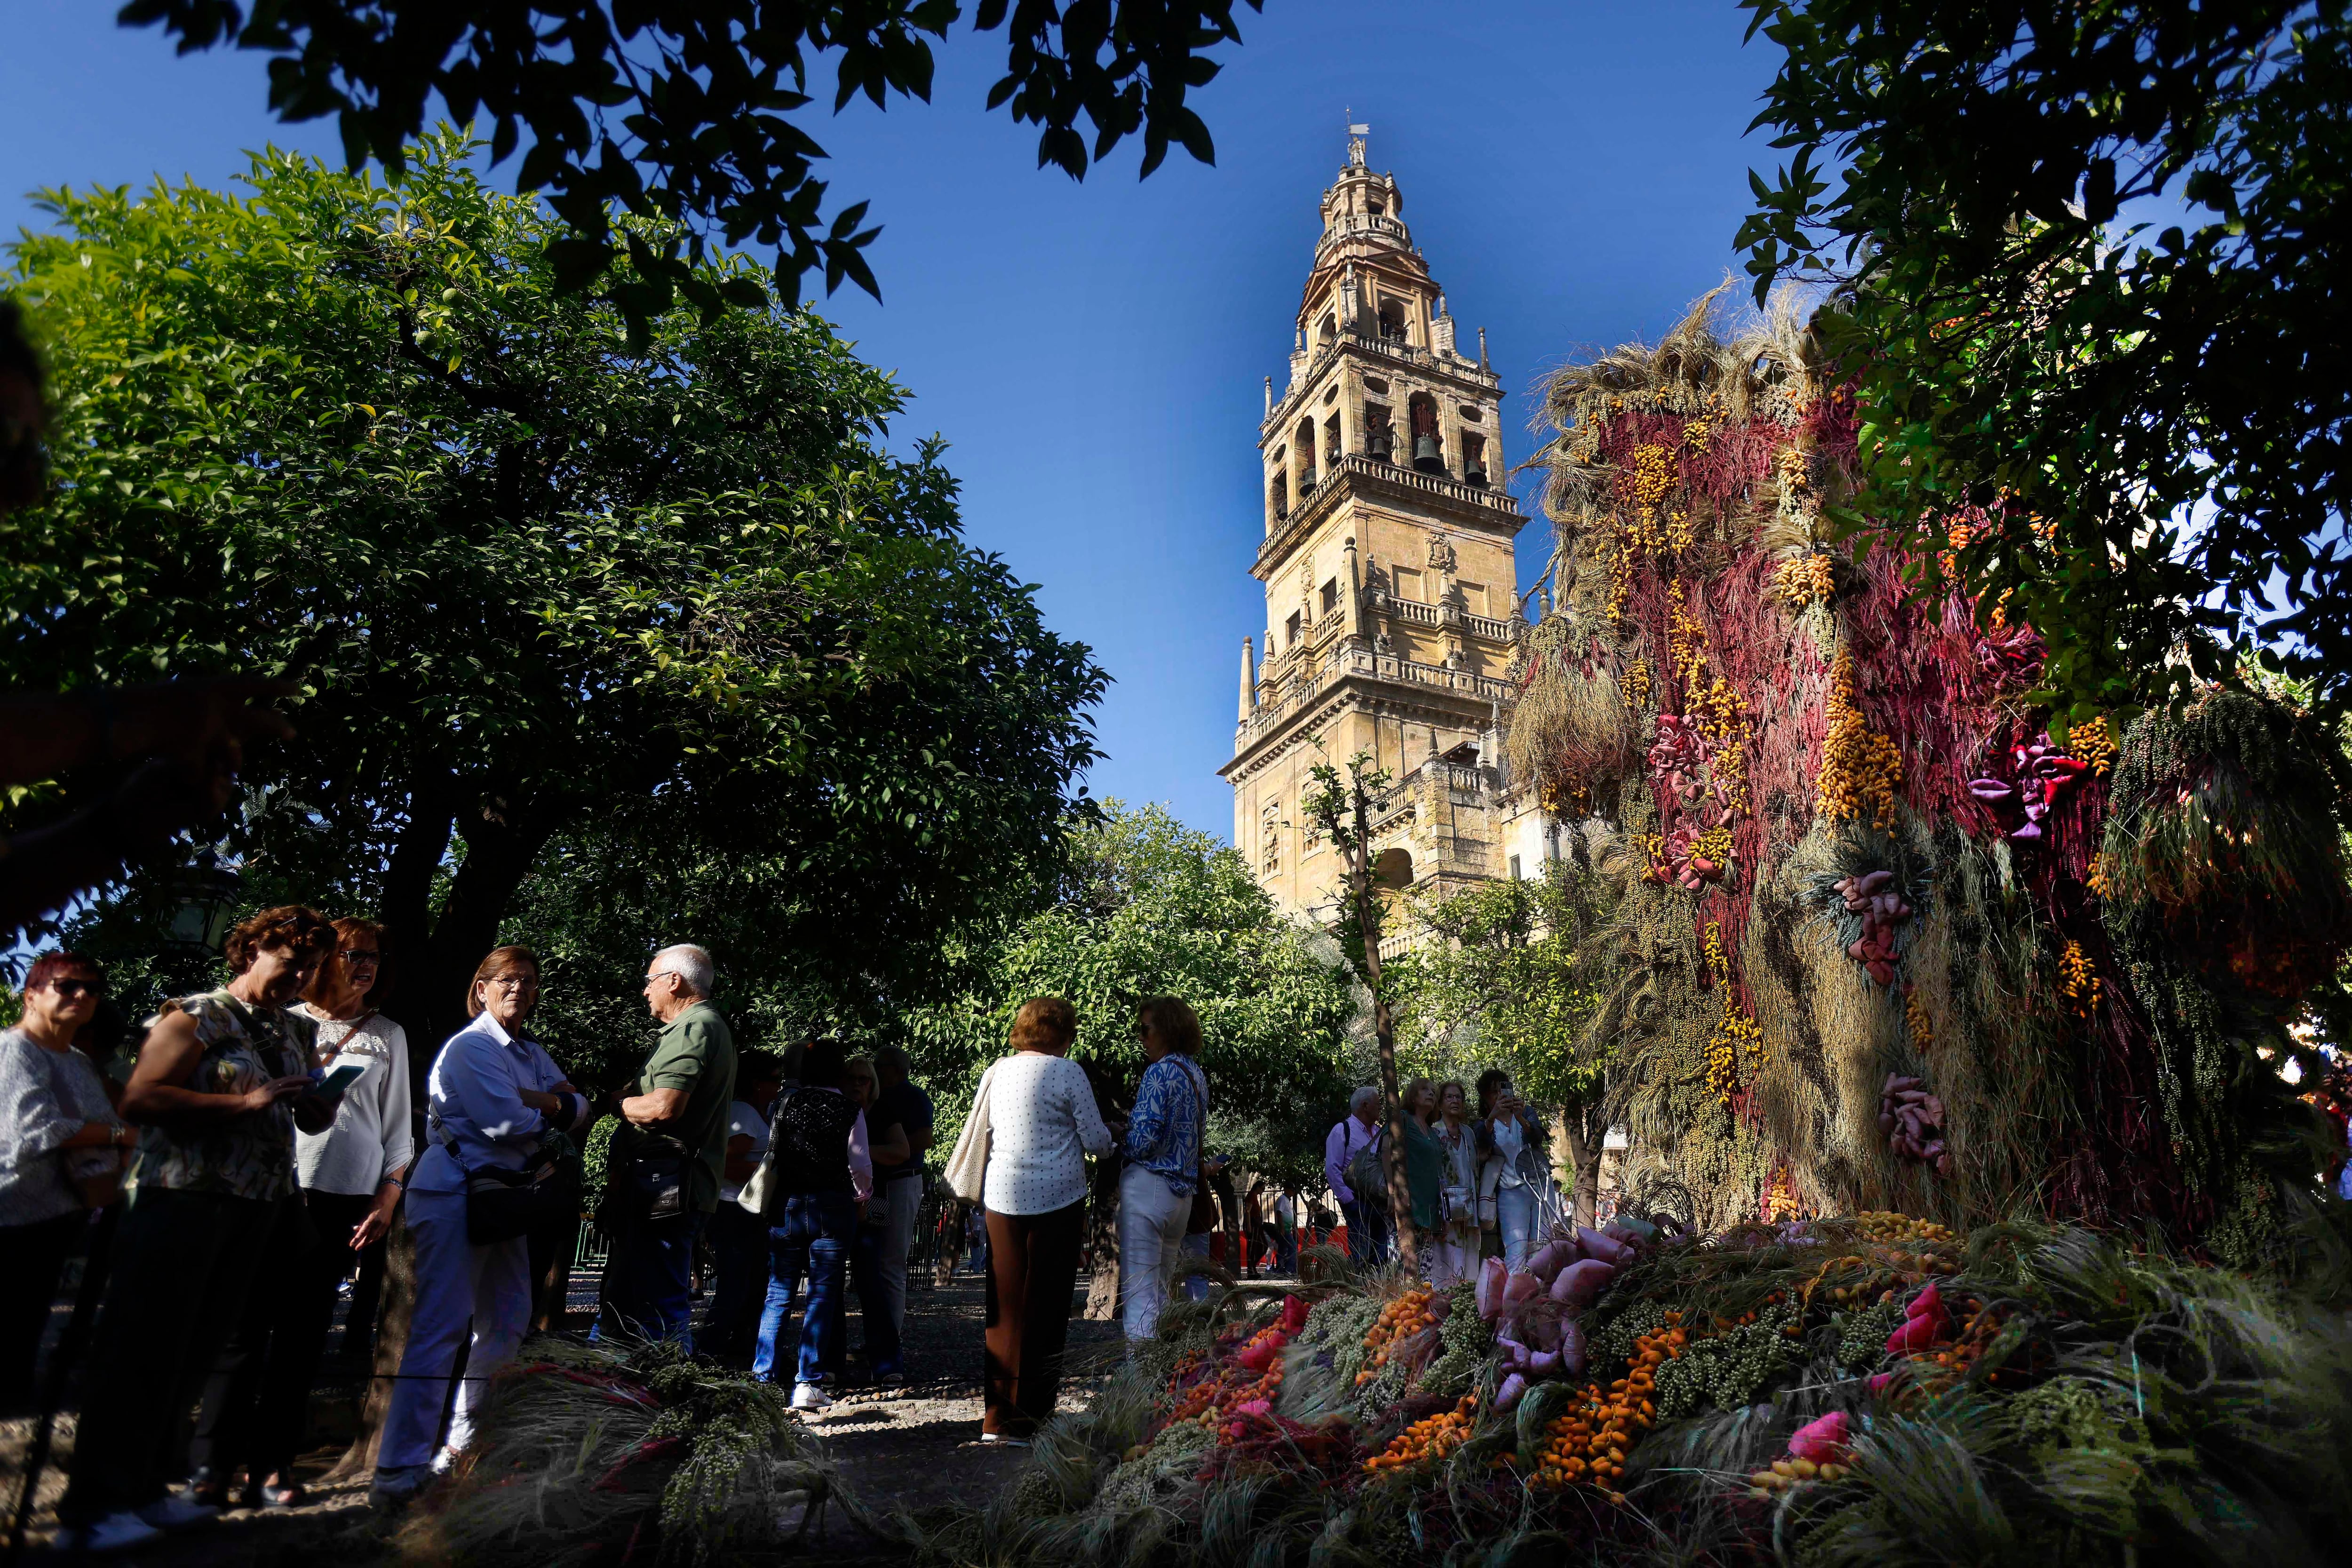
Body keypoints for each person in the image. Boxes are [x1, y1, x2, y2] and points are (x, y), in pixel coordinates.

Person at [55, 907, 337, 1554]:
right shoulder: (196, 1013)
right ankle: (93, 1507)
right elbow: (139, 1097)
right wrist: (244, 1103)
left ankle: (149, 1491)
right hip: (179, 1199)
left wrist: (319, 1105)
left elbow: (310, 1120)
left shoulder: (295, 1028)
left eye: (311, 966)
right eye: (289, 961)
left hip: (256, 1206)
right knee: (142, 1351)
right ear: (250, 951)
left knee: (197, 1352)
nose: (300, 976)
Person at [187, 918, 414, 1508]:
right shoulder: (284, 1021)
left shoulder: (387, 1033)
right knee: (242, 1329)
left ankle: (272, 1468)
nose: (364, 964)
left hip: (345, 1196)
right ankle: (210, 1465)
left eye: (373, 954)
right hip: (271, 1187)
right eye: (350, 954)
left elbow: (399, 1130)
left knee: (303, 1335)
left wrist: (388, 1195)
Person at [373, 946, 590, 1504]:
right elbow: (504, 1123)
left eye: (528, 980)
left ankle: (461, 1449)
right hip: (453, 1192)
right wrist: (545, 1108)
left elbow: (581, 1108)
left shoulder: (529, 1052)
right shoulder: (471, 1046)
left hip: (503, 1199)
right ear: (482, 989)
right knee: (442, 1326)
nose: (517, 988)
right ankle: (397, 1472)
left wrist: (533, 1101)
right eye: (505, 980)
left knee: (508, 1321)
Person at [960, 996, 1113, 1443]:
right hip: (1059, 1199)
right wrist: (1113, 1143)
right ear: (1065, 1033)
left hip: (1002, 1197)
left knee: (1003, 1307)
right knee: (1046, 1308)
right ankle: (1032, 1419)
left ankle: (995, 1420)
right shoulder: (1069, 1072)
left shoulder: (997, 1070)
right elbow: (1096, 1139)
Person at [0, 952, 129, 1413]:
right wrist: (120, 1135)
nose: (82, 996)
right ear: (31, 995)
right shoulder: (14, 1050)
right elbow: (32, 1132)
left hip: (58, 1215)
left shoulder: (76, 1060)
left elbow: (102, 1120)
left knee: (24, 1331)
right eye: (68, 986)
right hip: (10, 1212)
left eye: (92, 990)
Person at [601, 943, 737, 1348]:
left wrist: (618, 1102)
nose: (645, 990)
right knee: (632, 1301)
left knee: (659, 1306)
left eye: (650, 981)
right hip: (667, 1186)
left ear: (674, 981)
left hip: (664, 1188)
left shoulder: (693, 1027)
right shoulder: (708, 1026)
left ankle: (675, 1396)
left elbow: (664, 1107)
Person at [752, 1037, 870, 1410]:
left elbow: (775, 1149)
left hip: (787, 1204)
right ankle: (809, 1381)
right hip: (833, 1207)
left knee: (778, 1291)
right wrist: (862, 1198)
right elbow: (861, 1167)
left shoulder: (783, 1104)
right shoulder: (850, 1109)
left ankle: (763, 1376)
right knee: (822, 1293)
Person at [1116, 996, 1207, 1343]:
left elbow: (1144, 1139)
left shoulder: (1159, 1072)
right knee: (1161, 1296)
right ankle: (1167, 1383)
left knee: (1140, 1298)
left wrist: (1119, 1135)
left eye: (1145, 1029)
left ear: (1166, 1029)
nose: (1142, 1037)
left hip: (1149, 1189)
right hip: (1180, 1198)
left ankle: (1140, 1388)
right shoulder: (1195, 1073)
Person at [702, 1051, 783, 1366]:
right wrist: (770, 1176)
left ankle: (735, 1347)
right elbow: (725, 1162)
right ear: (757, 1083)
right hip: (735, 1209)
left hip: (743, 1211)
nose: (779, 1086)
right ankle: (711, 1351)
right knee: (734, 1287)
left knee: (748, 1285)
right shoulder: (744, 1113)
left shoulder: (754, 1113)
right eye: (774, 1080)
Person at [838, 1055, 912, 1380]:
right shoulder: (835, 1109)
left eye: (864, 1079)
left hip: (873, 1204)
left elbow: (902, 1150)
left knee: (874, 1282)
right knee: (829, 1284)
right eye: (852, 1078)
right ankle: (829, 1363)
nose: (857, 1084)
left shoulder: (883, 1112)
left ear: (873, 1084)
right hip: (836, 1205)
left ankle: (885, 1362)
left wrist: (860, 1152)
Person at [867, 1045, 934, 1375]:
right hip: (880, 1185)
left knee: (892, 1261)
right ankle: (880, 1338)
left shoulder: (912, 1098)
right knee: (881, 1262)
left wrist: (888, 1149)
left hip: (900, 1181)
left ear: (893, 1068)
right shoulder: (876, 1099)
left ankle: (890, 1338)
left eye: (878, 1064)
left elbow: (924, 1137)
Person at [1475, 1069, 1549, 1270]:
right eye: (1493, 1093)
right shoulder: (1484, 1124)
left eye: (1503, 1089)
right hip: (1510, 1191)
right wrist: (1492, 1117)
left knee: (1543, 1246)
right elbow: (1481, 1146)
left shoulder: (1526, 1113)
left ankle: (1542, 1295)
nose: (1499, 1095)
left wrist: (1521, 1118)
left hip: (1540, 1185)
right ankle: (1513, 1296)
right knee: (1516, 1249)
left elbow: (1537, 1138)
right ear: (1484, 1097)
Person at [1324, 1087, 1388, 1267]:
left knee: (1381, 1255)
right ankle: (1360, 1290)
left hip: (1379, 1203)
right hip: (1357, 1201)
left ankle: (1379, 1290)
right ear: (1365, 1106)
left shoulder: (1379, 1132)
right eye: (1378, 1104)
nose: (1380, 1107)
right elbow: (1332, 1168)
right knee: (1361, 1255)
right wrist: (1348, 1200)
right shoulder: (1342, 1130)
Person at [1430, 1081, 1480, 1286]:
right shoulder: (1433, 1133)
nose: (1455, 1101)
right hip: (1445, 1211)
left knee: (1470, 1266)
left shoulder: (1469, 1133)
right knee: (1447, 1264)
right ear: (1440, 1104)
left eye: (1458, 1097)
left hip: (1470, 1209)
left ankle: (1468, 1305)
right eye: (1449, 1097)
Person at [1398, 1076, 1446, 1280]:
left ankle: (1421, 1310)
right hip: (1406, 1207)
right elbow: (1385, 1152)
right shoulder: (1402, 1119)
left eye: (1433, 1091)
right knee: (1404, 1269)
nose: (1431, 1094)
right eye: (1425, 1090)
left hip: (1429, 1213)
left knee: (1425, 1274)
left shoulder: (1433, 1133)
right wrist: (1394, 1192)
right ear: (1413, 1096)